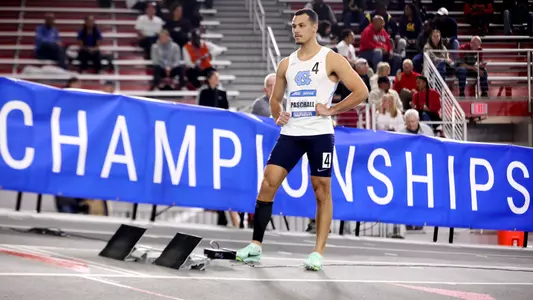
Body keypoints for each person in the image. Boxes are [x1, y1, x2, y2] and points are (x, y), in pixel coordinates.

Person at [235, 8, 368, 271]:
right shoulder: (286, 63)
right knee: (268, 183)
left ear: (314, 28)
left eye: (301, 25)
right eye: (294, 25)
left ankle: (317, 252)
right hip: (292, 132)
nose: (296, 30)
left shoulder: (332, 59)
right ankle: (255, 246)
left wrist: (332, 110)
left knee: (321, 190)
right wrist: (277, 114)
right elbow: (275, 98)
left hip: (319, 133)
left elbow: (361, 91)